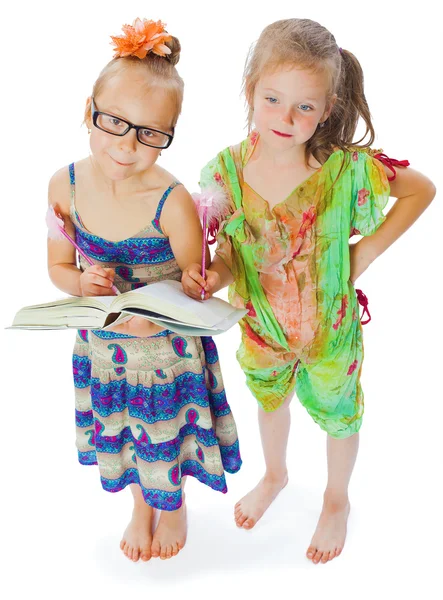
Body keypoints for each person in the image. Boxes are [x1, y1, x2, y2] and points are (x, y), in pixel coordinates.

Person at [182, 18, 435, 564]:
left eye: (304, 106)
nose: (286, 117)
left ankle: (336, 498)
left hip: (330, 332)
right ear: (250, 90)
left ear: (328, 107)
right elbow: (228, 253)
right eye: (272, 99)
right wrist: (213, 277)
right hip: (261, 326)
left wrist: (363, 253)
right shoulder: (224, 172)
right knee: (270, 402)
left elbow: (420, 189)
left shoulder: (346, 170)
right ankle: (275, 474)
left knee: (341, 415)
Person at [47, 18, 241, 563]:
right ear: (88, 111)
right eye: (113, 123)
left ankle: (173, 502)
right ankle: (140, 503)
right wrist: (79, 281)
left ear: (169, 134)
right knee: (122, 431)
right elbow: (59, 267)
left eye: (150, 133)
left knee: (165, 428)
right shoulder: (64, 184)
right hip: (105, 345)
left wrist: (199, 282)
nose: (128, 145)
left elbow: (200, 281)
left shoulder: (171, 199)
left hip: (164, 349)